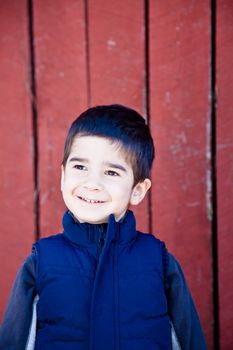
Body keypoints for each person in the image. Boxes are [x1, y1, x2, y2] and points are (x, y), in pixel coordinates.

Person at [0, 104, 206, 350]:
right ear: (63, 176)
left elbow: (189, 342)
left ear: (137, 190)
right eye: (80, 167)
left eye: (111, 172)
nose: (92, 183)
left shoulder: (159, 262)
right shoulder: (42, 261)